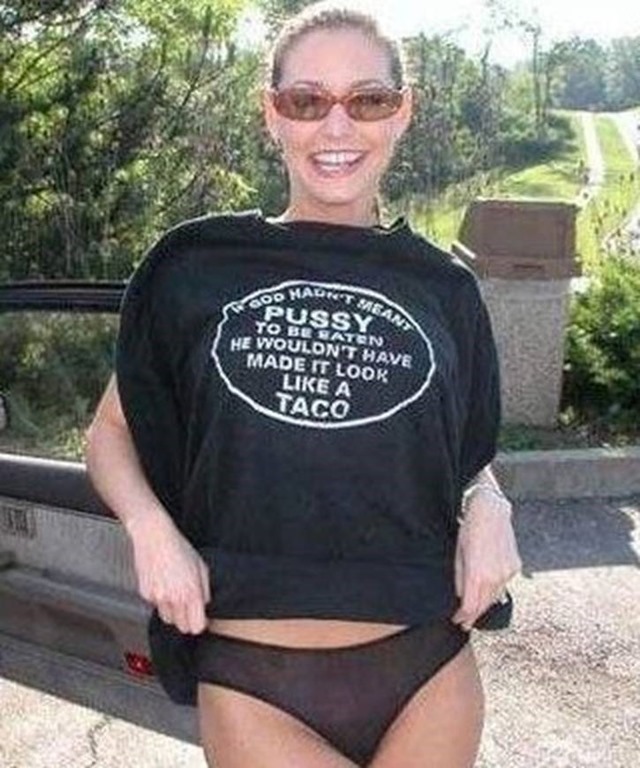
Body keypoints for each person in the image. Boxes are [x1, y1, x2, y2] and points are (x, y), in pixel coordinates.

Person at [85, 3, 521, 766]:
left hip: (428, 658)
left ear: (402, 112)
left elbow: (458, 449)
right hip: (255, 674)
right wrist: (151, 532)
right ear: (272, 113)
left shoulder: (444, 287)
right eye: (307, 100)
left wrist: (490, 500)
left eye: (369, 99)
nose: (337, 125)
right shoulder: (196, 266)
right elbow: (111, 433)